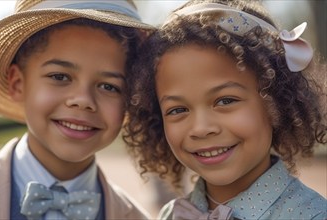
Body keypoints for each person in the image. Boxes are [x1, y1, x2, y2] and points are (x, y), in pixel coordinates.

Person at [0, 0, 155, 219]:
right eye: (59, 76)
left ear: (131, 100)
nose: (83, 100)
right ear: (17, 84)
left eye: (109, 86)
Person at [123, 0, 327, 219]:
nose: (201, 128)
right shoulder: (172, 214)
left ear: (276, 102)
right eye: (177, 110)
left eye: (226, 101)